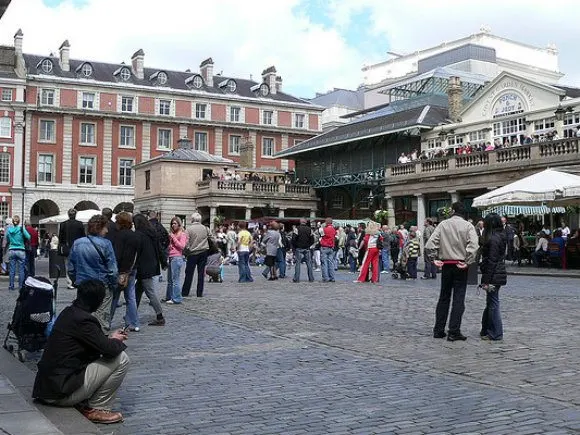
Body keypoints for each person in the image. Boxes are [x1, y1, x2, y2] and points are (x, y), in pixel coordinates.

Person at [32, 280, 130, 424]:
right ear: (98, 301)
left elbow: (93, 341)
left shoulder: (69, 313)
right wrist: (116, 341)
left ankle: (87, 402)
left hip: (48, 388)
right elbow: (110, 350)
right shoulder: (84, 320)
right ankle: (98, 408)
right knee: (122, 359)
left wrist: (110, 338)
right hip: (59, 393)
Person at [425, 202, 479, 342]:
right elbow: (474, 246)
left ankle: (438, 329)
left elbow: (430, 244)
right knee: (458, 299)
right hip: (460, 265)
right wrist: (468, 261)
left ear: (453, 211)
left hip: (447, 265)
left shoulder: (443, 224)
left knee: (444, 297)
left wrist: (433, 259)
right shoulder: (468, 226)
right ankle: (454, 331)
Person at [68, 215, 118, 332]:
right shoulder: (106, 244)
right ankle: (100, 338)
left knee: (83, 314)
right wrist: (113, 284)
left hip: (83, 284)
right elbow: (113, 270)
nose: (107, 231)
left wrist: (76, 280)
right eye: (105, 228)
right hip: (101, 284)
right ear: (100, 228)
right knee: (102, 315)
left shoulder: (77, 243)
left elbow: (71, 267)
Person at [132, 214, 165, 326]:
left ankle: (160, 316)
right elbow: (159, 249)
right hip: (151, 264)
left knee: (150, 292)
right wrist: (163, 262)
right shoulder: (151, 233)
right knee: (137, 291)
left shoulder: (139, 234)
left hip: (143, 266)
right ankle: (131, 313)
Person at [110, 212, 140, 331]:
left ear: (120, 223)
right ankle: (134, 323)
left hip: (120, 270)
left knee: (114, 297)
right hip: (132, 269)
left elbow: (117, 254)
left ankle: (107, 321)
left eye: (117, 221)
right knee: (131, 297)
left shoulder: (119, 236)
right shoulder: (135, 235)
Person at [479, 213, 506, 341]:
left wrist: (486, 280)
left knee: (493, 303)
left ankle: (496, 332)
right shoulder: (500, 235)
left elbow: (492, 260)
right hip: (497, 272)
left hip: (494, 274)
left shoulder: (494, 238)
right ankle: (485, 329)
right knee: (490, 302)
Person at [182, 213, 210, 298]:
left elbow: (186, 242)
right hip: (203, 252)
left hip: (192, 253)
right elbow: (212, 238)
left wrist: (186, 250)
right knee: (201, 273)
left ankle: (185, 292)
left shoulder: (189, 229)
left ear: (192, 219)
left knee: (189, 273)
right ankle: (199, 293)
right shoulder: (206, 228)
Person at [58, 209, 86, 289]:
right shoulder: (80, 224)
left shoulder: (63, 224)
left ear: (68, 214)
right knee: (78, 265)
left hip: (67, 248)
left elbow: (61, 238)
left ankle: (69, 283)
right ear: (75, 215)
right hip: (78, 248)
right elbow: (83, 237)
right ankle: (77, 281)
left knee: (68, 266)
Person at [164, 216, 187, 304]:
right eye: (172, 223)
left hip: (177, 257)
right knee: (169, 279)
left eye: (175, 223)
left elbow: (182, 246)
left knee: (175, 279)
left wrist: (173, 237)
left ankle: (177, 298)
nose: (173, 225)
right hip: (170, 257)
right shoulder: (172, 234)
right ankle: (169, 296)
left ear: (179, 224)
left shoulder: (182, 234)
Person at [5, 215, 31, 291]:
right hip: (21, 250)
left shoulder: (9, 229)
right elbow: (28, 237)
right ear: (19, 222)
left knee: (12, 269)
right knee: (21, 270)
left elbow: (7, 239)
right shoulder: (21, 229)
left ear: (13, 222)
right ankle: (20, 286)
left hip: (12, 250)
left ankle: (11, 285)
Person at [292, 218, 315, 283]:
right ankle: (311, 278)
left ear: (300, 222)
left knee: (298, 263)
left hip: (299, 248)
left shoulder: (297, 229)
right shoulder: (310, 229)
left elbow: (293, 238)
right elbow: (312, 239)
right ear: (306, 222)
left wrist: (296, 245)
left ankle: (296, 278)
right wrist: (308, 245)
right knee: (309, 263)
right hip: (307, 248)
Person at [319, 217, 337, 282]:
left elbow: (321, 236)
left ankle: (326, 278)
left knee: (324, 263)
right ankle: (332, 277)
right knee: (331, 263)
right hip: (331, 247)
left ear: (326, 222)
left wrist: (321, 227)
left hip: (324, 247)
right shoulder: (334, 229)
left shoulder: (324, 229)